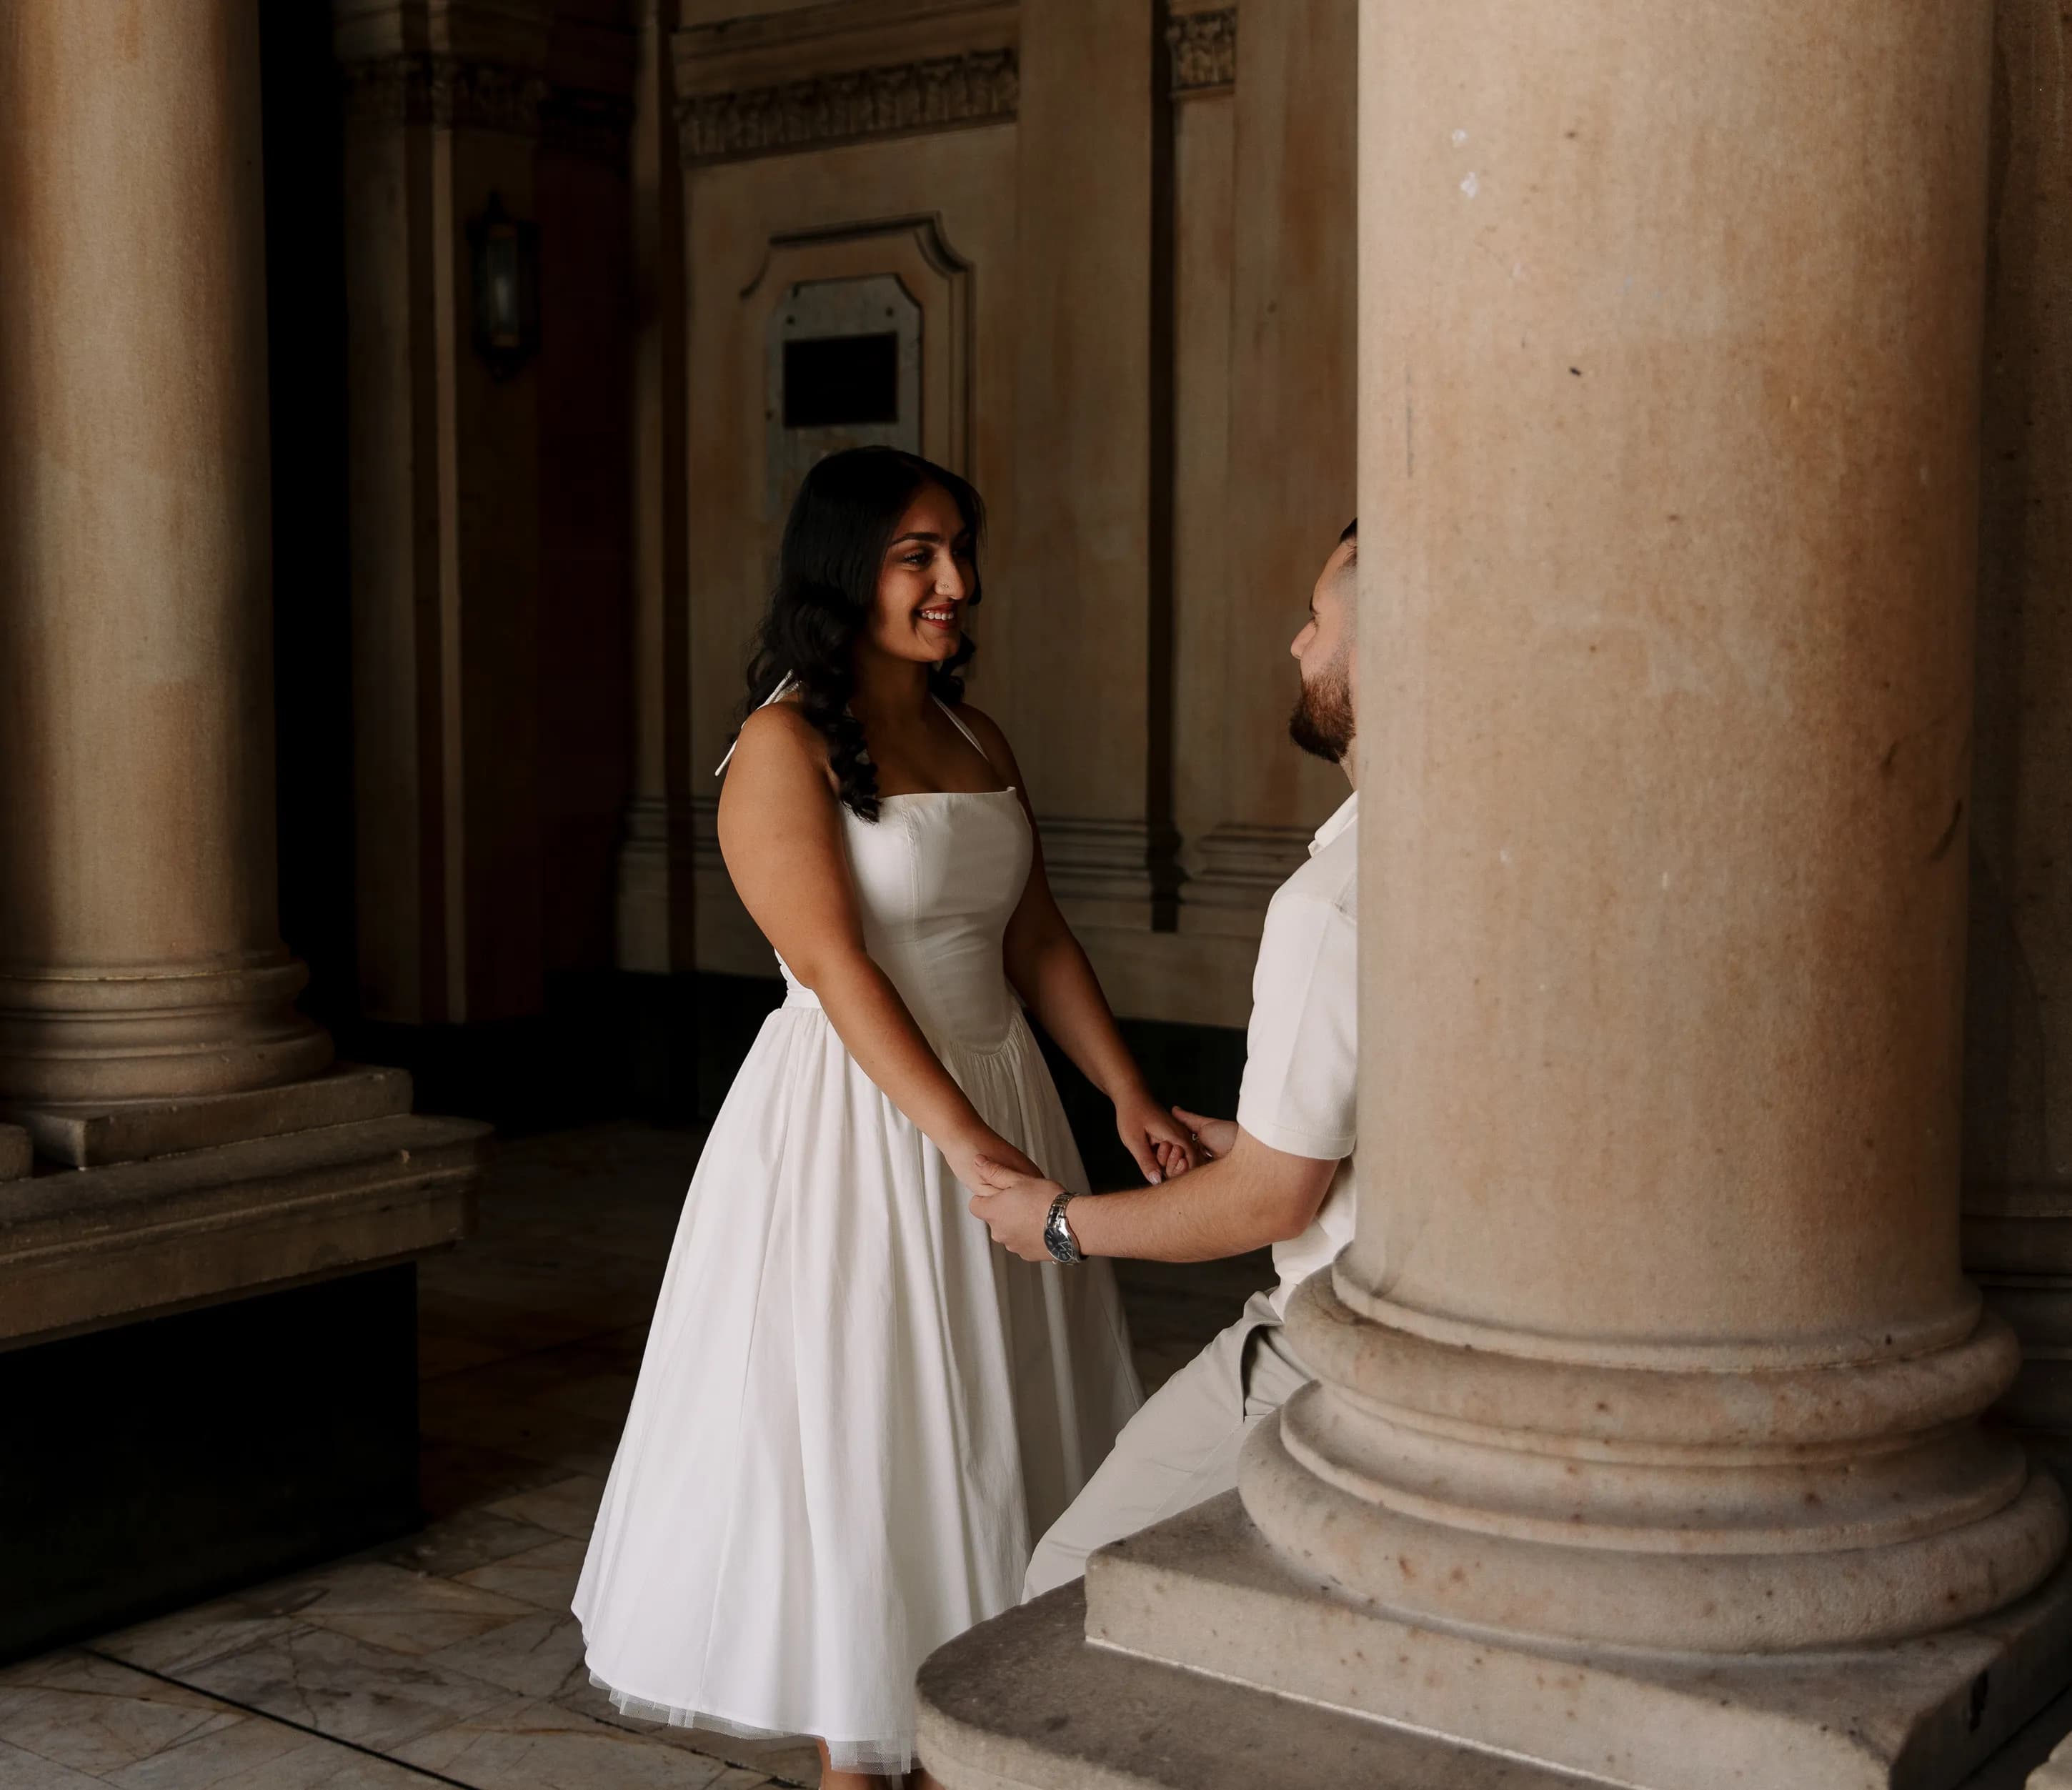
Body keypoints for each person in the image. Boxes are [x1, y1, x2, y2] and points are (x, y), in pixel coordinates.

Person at [573, 447, 1195, 1789]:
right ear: (846, 569)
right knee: (872, 1432)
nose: (955, 581)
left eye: (960, 550)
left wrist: (1124, 1090)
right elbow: (836, 966)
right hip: (861, 1131)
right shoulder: (779, 747)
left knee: (999, 1423)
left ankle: (966, 1724)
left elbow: (1035, 936)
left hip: (1006, 1092)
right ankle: (861, 1757)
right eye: (919, 555)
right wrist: (959, 1138)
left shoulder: (977, 736)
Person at [969, 519, 1360, 1599]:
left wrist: (1059, 1224)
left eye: (1317, 620)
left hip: (1335, 1341)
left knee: (1066, 1589)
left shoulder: (1332, 905)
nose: (1297, 644)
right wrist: (1264, 1138)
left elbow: (1271, 1203)